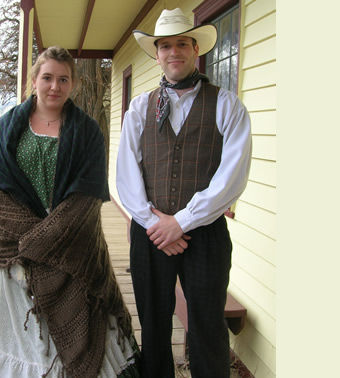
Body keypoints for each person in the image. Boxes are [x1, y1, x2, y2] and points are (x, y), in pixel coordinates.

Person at [0, 46, 141, 378]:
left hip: (71, 246)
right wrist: (29, 239)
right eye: (47, 77)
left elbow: (87, 197)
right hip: (13, 253)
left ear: (73, 84)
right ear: (34, 80)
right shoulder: (7, 127)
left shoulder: (88, 132)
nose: (55, 86)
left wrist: (50, 238)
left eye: (63, 79)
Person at [116, 8, 252, 378]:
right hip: (151, 234)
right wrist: (155, 223)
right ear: (157, 54)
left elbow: (233, 175)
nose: (173, 52)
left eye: (181, 44)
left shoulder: (226, 105)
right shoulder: (140, 107)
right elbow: (126, 173)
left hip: (205, 234)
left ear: (195, 50)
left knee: (208, 328)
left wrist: (183, 221)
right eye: (165, 46)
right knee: (154, 327)